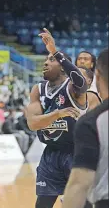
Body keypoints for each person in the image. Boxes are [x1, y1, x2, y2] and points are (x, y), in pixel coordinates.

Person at [25, 28, 88, 208]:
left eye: (50, 60)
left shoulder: (73, 88)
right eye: (46, 59)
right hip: (51, 153)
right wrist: (57, 114)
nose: (45, 62)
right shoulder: (38, 89)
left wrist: (55, 51)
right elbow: (33, 123)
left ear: (62, 65)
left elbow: (82, 83)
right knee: (42, 204)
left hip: (75, 152)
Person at [63, 48, 108, 208]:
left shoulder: (94, 118)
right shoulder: (68, 87)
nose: (82, 61)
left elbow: (79, 184)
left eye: (86, 59)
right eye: (80, 58)